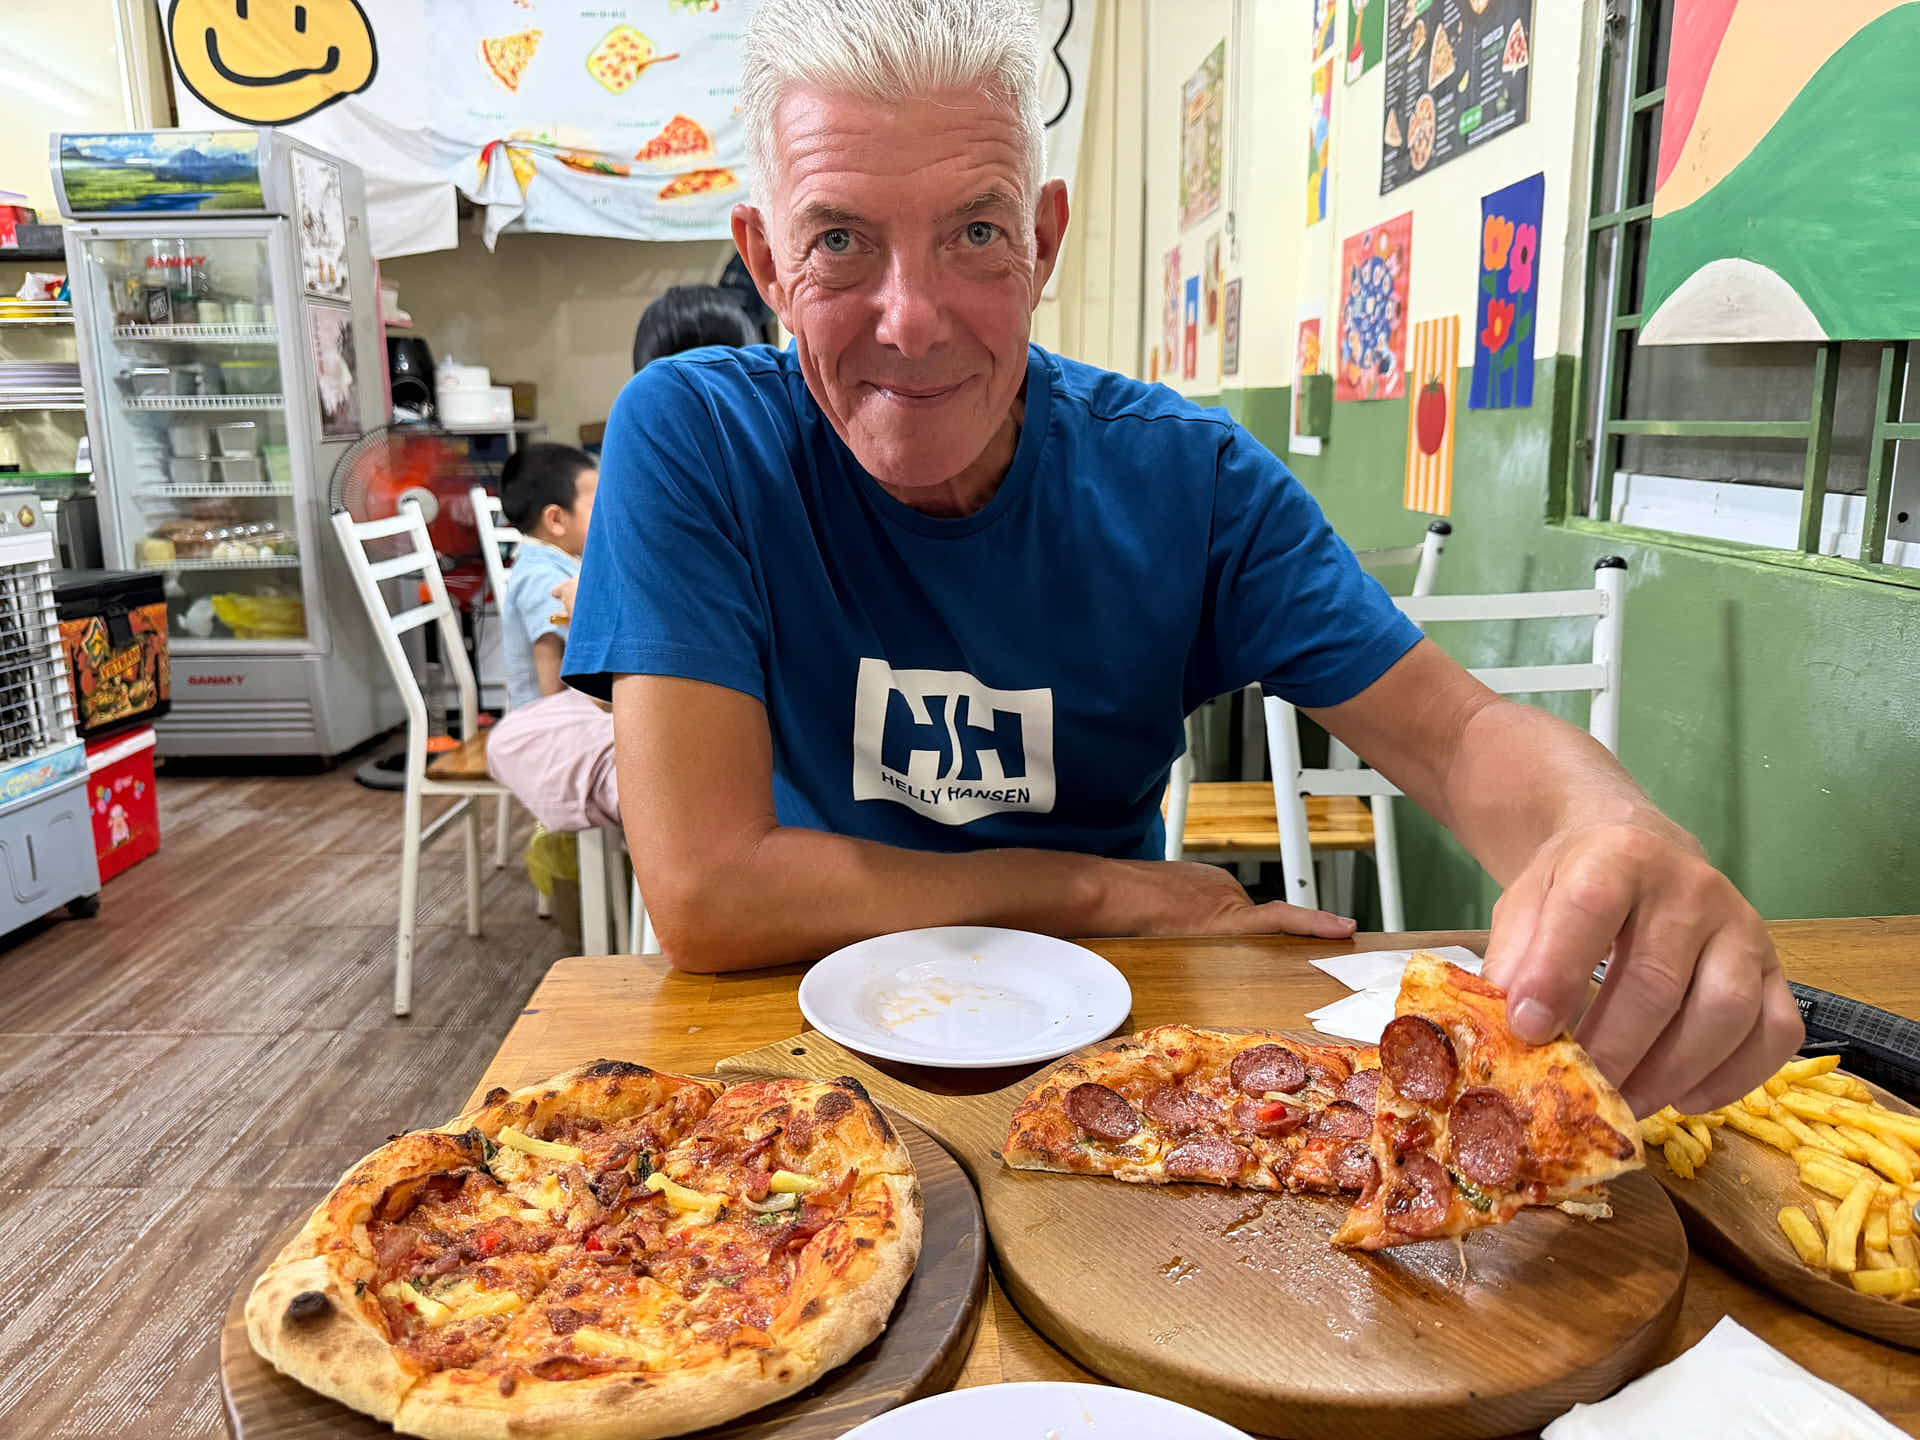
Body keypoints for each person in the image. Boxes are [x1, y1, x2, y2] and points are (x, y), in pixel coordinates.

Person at [563, 0, 1801, 1116]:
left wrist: (1607, 831)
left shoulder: (1185, 478)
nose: (913, 319)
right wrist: (1106, 891)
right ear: (766, 263)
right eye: (839, 241)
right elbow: (710, 894)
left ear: (1043, 239)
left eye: (976, 232)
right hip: (784, 1080)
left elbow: (1458, 734)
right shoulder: (696, 436)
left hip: (1123, 1071)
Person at [486, 286, 767, 835]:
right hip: (766, 715)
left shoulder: (657, 479)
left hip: (715, 729)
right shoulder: (772, 456)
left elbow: (613, 695)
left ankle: (668, 820)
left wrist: (589, 606)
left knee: (516, 739)